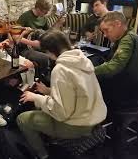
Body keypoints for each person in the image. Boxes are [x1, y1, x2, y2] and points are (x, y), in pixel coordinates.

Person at [16, 29, 107, 159]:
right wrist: (48, 91)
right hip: (94, 117)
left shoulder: (60, 70)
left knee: (22, 119)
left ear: (51, 51)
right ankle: (51, 141)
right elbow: (77, 92)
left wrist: (36, 97)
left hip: (77, 125)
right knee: (40, 106)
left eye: (46, 52)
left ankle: (43, 155)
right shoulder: (83, 60)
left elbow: (62, 112)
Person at [95, 11, 138, 110]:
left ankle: (93, 120)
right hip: (135, 89)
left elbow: (113, 67)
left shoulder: (127, 39)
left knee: (89, 84)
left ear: (117, 24)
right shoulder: (131, 36)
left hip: (127, 93)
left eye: (106, 30)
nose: (105, 35)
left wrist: (90, 70)